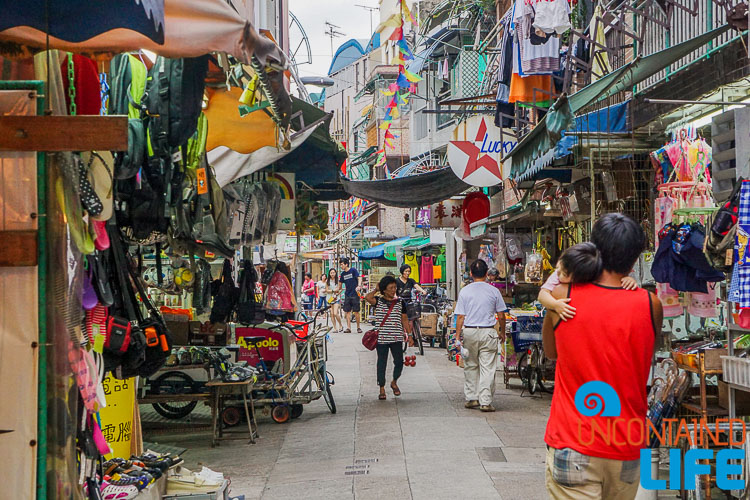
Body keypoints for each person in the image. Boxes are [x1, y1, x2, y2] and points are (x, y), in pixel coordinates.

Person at [542, 213, 662, 500]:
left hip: (574, 439)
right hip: (628, 443)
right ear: (634, 260)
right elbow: (647, 353)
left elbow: (550, 352)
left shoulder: (562, 297)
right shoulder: (650, 304)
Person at [454, 259, 507, 412]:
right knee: (488, 368)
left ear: (471, 273)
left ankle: (471, 398)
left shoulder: (465, 291)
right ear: (486, 274)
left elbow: (461, 317)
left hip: (469, 331)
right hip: (488, 332)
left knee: (470, 365)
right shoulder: (494, 291)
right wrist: (502, 331)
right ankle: (485, 402)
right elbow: (501, 315)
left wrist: (457, 336)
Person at [538, 253, 639, 321]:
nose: (558, 272)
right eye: (558, 267)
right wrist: (555, 304)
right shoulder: (558, 274)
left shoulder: (594, 274)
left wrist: (627, 280)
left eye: (563, 274)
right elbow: (542, 294)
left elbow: (612, 280)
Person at [365, 275, 413, 400]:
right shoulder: (378, 301)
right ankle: (382, 388)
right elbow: (367, 297)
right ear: (384, 290)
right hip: (382, 338)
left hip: (397, 338)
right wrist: (376, 289)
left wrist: (410, 335)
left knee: (399, 362)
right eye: (391, 288)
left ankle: (394, 381)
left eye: (395, 287)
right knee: (382, 363)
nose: (393, 290)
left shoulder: (400, 302)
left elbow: (404, 319)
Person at [340, 258, 362, 333]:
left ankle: (358, 327)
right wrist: (335, 292)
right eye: (340, 264)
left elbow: (359, 278)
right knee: (347, 311)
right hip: (347, 294)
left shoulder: (353, 270)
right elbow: (340, 286)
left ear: (346, 264)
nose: (341, 266)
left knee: (356, 311)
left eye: (342, 264)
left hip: (355, 294)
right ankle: (348, 327)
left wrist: (359, 286)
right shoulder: (343, 274)